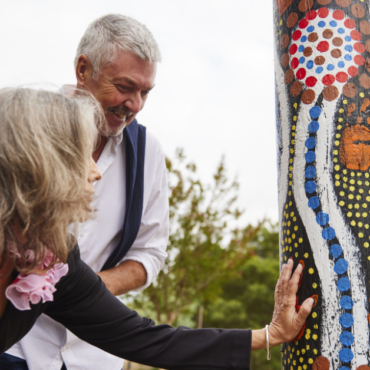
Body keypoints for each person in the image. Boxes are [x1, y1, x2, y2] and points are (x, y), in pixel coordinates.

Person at [0, 87, 313, 370]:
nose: (96, 172)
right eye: (81, 156)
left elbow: (142, 337)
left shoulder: (52, 259)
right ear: (37, 163)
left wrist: (269, 335)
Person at [2, 14, 169, 370]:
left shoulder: (149, 153)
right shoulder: (26, 125)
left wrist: (82, 292)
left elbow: (151, 253)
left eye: (145, 92)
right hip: (15, 346)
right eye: (125, 87)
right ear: (83, 69)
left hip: (94, 355)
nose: (135, 104)